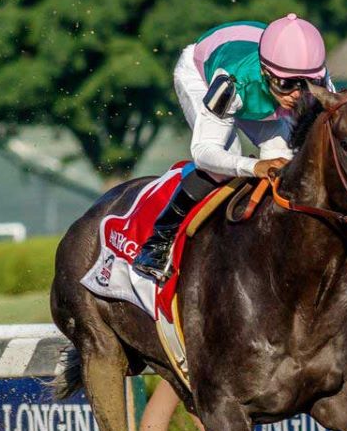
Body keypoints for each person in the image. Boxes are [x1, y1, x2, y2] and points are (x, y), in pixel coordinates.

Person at [132, 14, 332, 281]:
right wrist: (255, 166)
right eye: (286, 84)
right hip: (201, 73)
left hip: (256, 85)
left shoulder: (318, 80)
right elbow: (204, 154)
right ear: (265, 71)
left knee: (286, 164)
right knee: (226, 165)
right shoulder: (231, 83)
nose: (297, 94)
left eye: (304, 85)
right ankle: (157, 243)